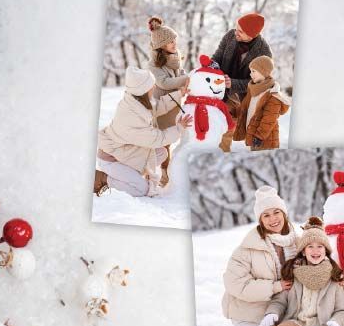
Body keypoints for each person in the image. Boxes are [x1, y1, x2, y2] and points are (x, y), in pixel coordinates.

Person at [218, 186, 298, 326]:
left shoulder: (296, 242)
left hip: (279, 312)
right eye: (266, 215)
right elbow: (236, 284)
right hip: (248, 312)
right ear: (260, 220)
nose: (273, 219)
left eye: (276, 212)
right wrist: (275, 287)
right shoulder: (248, 248)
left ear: (284, 213)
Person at [260, 217, 344, 326]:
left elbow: (342, 310)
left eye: (320, 246)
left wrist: (336, 322)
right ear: (303, 251)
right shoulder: (293, 273)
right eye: (310, 247)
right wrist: (272, 312)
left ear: (326, 251)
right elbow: (280, 300)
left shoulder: (334, 277)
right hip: (297, 323)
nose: (315, 251)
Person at [95, 67, 192, 197]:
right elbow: (157, 139)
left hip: (126, 152)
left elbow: (157, 107)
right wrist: (179, 128)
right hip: (112, 159)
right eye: (152, 86)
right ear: (143, 90)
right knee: (141, 189)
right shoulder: (131, 118)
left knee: (161, 152)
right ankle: (105, 178)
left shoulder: (136, 101)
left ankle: (132, 174)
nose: (154, 88)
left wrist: (180, 93)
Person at [211, 12, 272, 151]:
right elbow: (217, 56)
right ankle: (222, 152)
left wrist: (233, 83)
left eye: (241, 31)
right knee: (224, 127)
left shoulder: (264, 53)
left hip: (245, 98)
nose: (236, 33)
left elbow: (259, 83)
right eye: (237, 28)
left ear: (252, 35)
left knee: (252, 135)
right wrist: (212, 65)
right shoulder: (230, 36)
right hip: (224, 93)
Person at [146, 16, 188, 186]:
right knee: (163, 142)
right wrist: (186, 80)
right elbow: (164, 82)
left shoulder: (175, 58)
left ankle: (166, 173)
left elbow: (182, 74)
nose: (174, 43)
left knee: (171, 140)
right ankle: (159, 173)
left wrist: (186, 79)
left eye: (174, 40)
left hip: (175, 103)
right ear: (160, 46)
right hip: (162, 105)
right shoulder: (154, 65)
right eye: (170, 41)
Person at [232, 56, 290, 150]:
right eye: (250, 71)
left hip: (265, 141)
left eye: (253, 71)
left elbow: (269, 119)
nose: (251, 74)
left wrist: (259, 136)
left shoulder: (273, 94)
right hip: (252, 137)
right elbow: (243, 109)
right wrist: (231, 112)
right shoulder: (253, 91)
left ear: (263, 71)